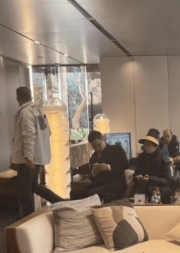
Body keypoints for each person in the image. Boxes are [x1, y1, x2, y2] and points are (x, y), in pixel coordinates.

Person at [10, 86, 63, 216]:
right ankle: (60, 202)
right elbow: (48, 132)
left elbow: (28, 135)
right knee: (34, 186)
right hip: (38, 156)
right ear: (30, 96)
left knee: (25, 188)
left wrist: (28, 157)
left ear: (18, 99)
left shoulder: (25, 112)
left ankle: (28, 216)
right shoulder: (39, 111)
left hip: (28, 158)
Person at [70, 130, 129, 202]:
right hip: (99, 184)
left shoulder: (115, 149)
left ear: (102, 139)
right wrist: (93, 173)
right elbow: (91, 178)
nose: (97, 148)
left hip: (115, 184)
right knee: (74, 192)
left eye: (98, 145)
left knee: (93, 193)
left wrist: (108, 167)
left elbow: (125, 164)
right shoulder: (93, 157)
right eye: (94, 147)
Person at [133, 135, 174, 203]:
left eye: (149, 145)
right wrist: (138, 178)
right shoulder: (141, 158)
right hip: (142, 188)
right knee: (138, 190)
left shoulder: (163, 159)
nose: (146, 147)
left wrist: (150, 179)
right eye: (145, 145)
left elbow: (167, 180)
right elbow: (135, 174)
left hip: (158, 188)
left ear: (156, 147)